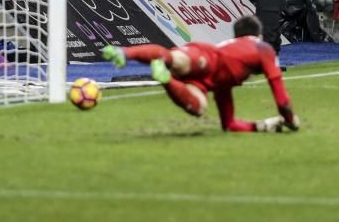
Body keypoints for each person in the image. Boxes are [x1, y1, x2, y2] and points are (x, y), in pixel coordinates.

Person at [101, 15, 299, 133]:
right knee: (176, 61)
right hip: (208, 57)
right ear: (259, 35)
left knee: (198, 105)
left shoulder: (227, 80)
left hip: (206, 69)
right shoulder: (263, 48)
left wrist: (263, 126)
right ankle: (125, 53)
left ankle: (164, 77)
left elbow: (229, 125)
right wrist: (290, 120)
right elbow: (281, 98)